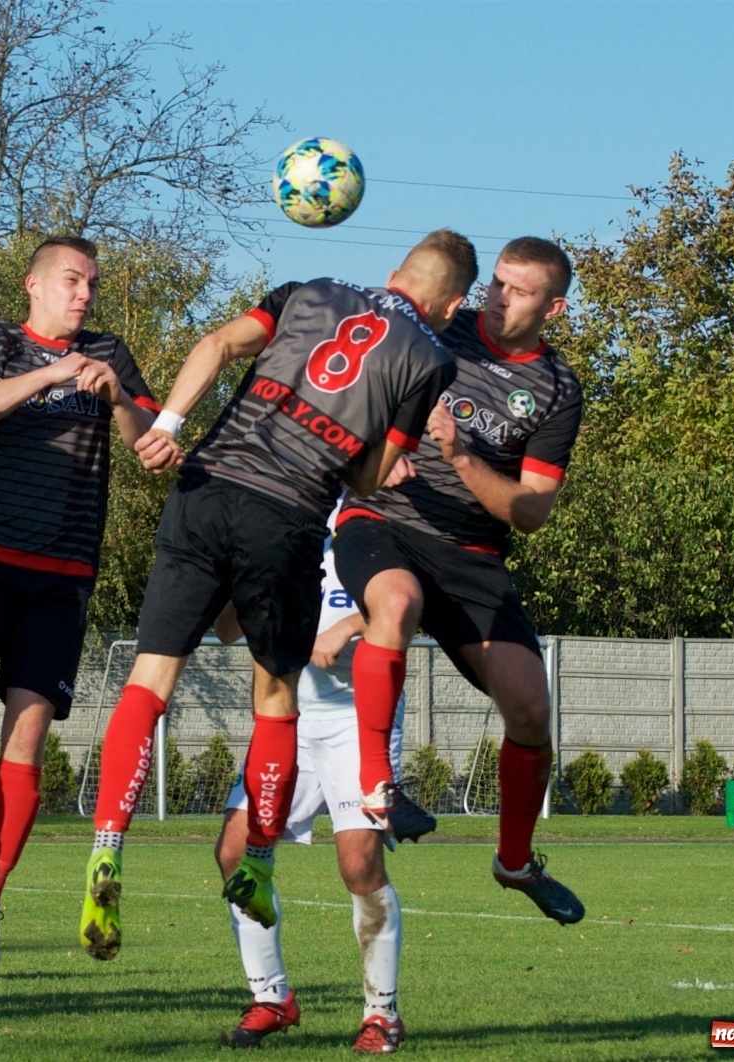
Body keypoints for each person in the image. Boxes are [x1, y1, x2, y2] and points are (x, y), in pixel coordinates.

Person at [80, 230, 474, 961]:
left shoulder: (311, 289)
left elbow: (216, 345)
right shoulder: (432, 358)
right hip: (285, 514)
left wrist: (167, 425)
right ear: (452, 304)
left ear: (393, 274)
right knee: (275, 697)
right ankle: (258, 860)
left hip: (202, 490)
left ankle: (107, 846)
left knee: (150, 680)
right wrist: (375, 457)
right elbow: (367, 477)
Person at [0, 237, 158, 968]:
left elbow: (151, 444)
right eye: (72, 281)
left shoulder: (111, 353)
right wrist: (51, 375)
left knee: (28, 734)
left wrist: (116, 399)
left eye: (93, 285)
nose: (85, 295)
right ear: (35, 284)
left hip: (63, 575)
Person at [334, 236, 585, 924]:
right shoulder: (441, 325)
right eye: (497, 283)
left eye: (519, 290)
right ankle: (376, 782)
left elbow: (531, 511)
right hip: (381, 520)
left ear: (553, 307)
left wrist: (458, 455)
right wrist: (377, 449)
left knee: (531, 711)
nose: (498, 298)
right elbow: (354, 383)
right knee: (397, 601)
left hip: (473, 555)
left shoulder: (558, 390)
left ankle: (514, 862)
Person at [212, 501, 409, 1055]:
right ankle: (272, 998)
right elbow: (226, 630)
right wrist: (237, 570)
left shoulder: (376, 513)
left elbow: (420, 605)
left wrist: (350, 623)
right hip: (289, 719)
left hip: (359, 719)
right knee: (235, 851)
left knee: (359, 863)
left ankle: (382, 1014)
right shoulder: (278, 514)